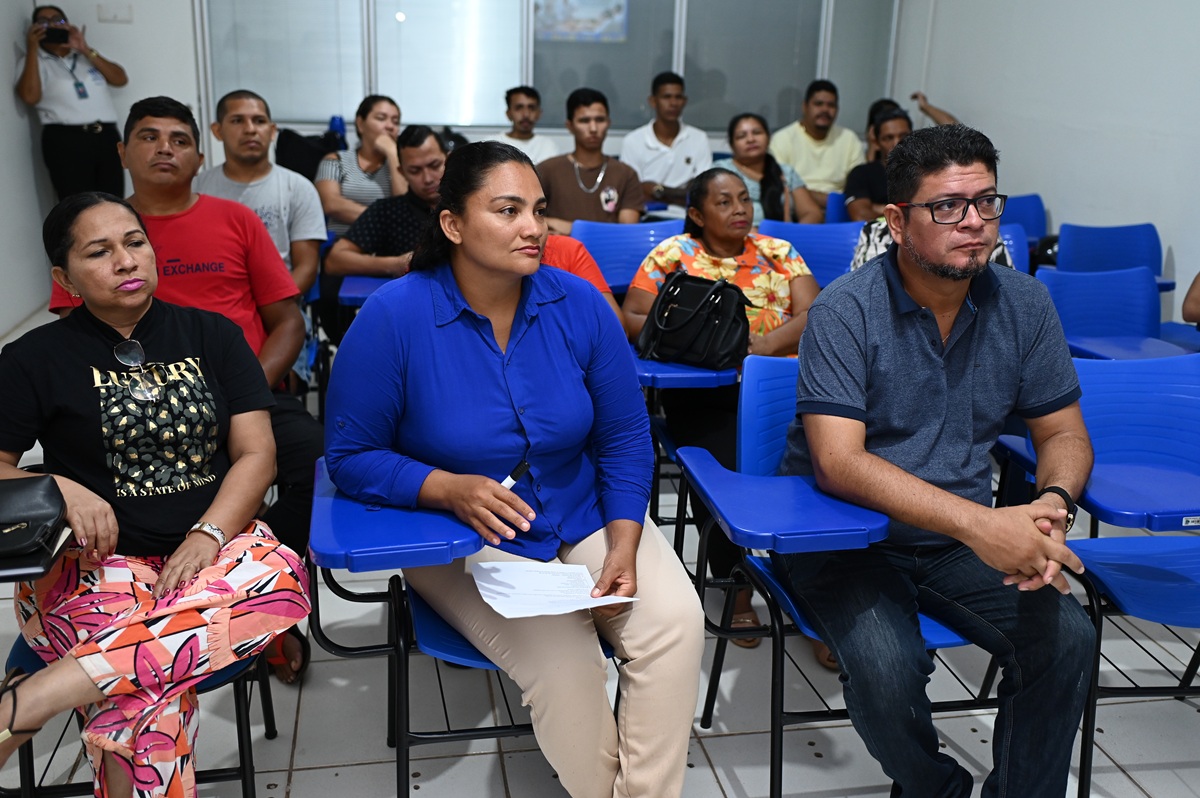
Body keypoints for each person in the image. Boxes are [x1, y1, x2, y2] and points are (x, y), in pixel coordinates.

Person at [324, 140, 703, 798]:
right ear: (453, 224)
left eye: (538, 209)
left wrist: (625, 540)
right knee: (568, 670)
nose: (533, 227)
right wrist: (445, 487)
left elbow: (624, 434)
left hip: (580, 508)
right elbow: (351, 457)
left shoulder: (579, 304)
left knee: (674, 622)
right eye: (507, 210)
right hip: (467, 538)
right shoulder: (394, 316)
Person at [773, 124, 1095, 796]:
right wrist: (982, 525)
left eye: (986, 202)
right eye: (947, 206)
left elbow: (1063, 432)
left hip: (955, 541)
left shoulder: (1025, 302)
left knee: (1068, 637)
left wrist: (1054, 503)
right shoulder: (845, 311)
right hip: (847, 537)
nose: (974, 223)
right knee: (889, 668)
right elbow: (839, 463)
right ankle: (936, 790)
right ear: (896, 221)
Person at [0, 192, 310, 798]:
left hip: (219, 557)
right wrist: (59, 486)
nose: (125, 260)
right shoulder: (33, 359)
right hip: (93, 566)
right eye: (99, 251)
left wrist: (207, 534)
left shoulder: (213, 336)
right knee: (147, 708)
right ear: (63, 278)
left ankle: (30, 699)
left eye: (134, 242)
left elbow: (256, 454)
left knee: (281, 590)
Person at [47, 96, 321, 683]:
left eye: (178, 139)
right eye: (148, 137)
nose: (165, 148)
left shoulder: (234, 219)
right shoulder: (90, 225)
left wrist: (239, 394)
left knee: (322, 463)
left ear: (200, 155)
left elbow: (288, 321)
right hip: (137, 399)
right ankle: (222, 612)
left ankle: (230, 560)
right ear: (122, 152)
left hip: (246, 385)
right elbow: (71, 345)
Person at [622, 167, 819, 648]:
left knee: (825, 474)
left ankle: (819, 598)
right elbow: (633, 317)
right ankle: (735, 587)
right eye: (724, 202)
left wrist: (764, 344)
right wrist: (706, 342)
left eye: (744, 200)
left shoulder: (778, 252)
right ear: (696, 213)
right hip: (705, 390)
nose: (739, 210)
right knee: (721, 477)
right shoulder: (675, 255)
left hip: (782, 388)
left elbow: (818, 312)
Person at [195, 89, 327, 388]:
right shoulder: (199, 187)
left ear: (272, 130)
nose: (250, 129)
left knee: (278, 377)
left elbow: (306, 269)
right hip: (214, 307)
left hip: (280, 306)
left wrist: (265, 308)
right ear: (217, 130)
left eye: (259, 120)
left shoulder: (298, 188)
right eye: (238, 120)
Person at [15, 5, 128, 200]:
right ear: (35, 28)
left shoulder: (85, 57)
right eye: (43, 21)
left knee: (113, 201)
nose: (52, 25)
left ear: (67, 25)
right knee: (77, 206)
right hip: (65, 140)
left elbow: (120, 79)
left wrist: (85, 49)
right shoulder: (33, 61)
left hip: (106, 136)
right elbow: (30, 97)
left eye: (58, 20)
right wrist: (32, 48)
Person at [538, 88, 643, 235]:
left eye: (600, 120)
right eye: (584, 121)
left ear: (608, 123)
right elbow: (529, 219)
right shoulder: (547, 170)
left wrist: (572, 229)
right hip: (560, 255)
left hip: (609, 255)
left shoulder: (626, 174)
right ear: (570, 126)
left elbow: (626, 234)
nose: (593, 128)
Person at [618, 72, 712, 214]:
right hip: (646, 218)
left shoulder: (699, 138)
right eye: (666, 97)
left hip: (689, 219)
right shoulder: (633, 141)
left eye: (678, 97)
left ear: (685, 101)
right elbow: (633, 193)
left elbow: (703, 192)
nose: (673, 103)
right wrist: (682, 193)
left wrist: (658, 191)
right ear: (653, 101)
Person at [315, 94, 406, 236]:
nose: (390, 126)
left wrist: (393, 154)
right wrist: (385, 221)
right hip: (340, 247)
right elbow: (331, 204)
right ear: (360, 124)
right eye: (381, 118)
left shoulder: (401, 165)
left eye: (395, 121)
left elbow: (405, 207)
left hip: (386, 247)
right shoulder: (336, 160)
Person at [769, 79, 864, 211]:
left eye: (831, 105)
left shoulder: (849, 139)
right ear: (805, 106)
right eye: (818, 104)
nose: (825, 109)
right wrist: (827, 200)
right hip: (797, 210)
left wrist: (831, 202)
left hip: (839, 212)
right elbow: (779, 187)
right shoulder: (782, 139)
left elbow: (859, 187)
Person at [713, 113, 822, 227]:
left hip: (781, 240)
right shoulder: (721, 172)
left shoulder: (785, 172)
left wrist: (791, 234)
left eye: (757, 133)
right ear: (732, 145)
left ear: (768, 138)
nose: (750, 139)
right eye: (741, 136)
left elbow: (812, 213)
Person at [845, 107, 913, 222]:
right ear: (876, 143)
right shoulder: (861, 174)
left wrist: (879, 208)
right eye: (888, 138)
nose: (897, 143)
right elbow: (861, 216)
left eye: (903, 136)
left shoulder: (924, 171)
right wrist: (903, 213)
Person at [490, 85, 558, 163]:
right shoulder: (493, 144)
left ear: (539, 113)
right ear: (508, 114)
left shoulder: (548, 146)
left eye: (531, 108)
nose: (526, 114)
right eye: (519, 108)